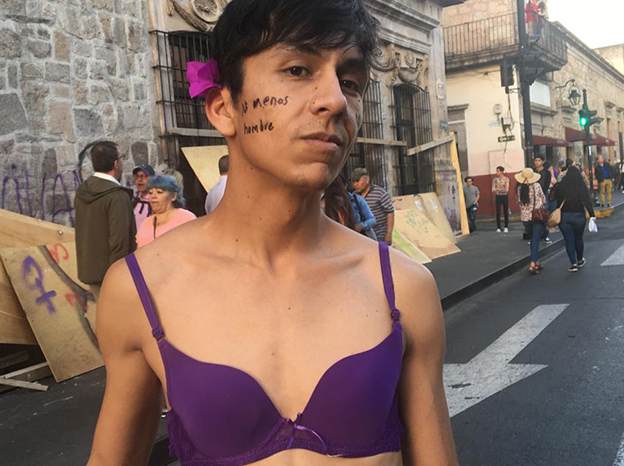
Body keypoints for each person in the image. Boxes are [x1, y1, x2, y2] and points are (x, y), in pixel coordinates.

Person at [88, 1, 457, 464]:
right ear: (224, 109)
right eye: (298, 69)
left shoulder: (402, 288)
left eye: (349, 82)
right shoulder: (141, 289)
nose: (335, 100)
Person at [75, 141, 136, 299]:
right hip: (113, 275)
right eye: (121, 158)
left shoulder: (83, 191)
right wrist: (117, 277)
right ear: (116, 164)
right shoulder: (117, 196)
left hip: (90, 270)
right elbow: (119, 241)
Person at [551, 165, 596, 273]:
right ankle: (580, 259)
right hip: (579, 215)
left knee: (569, 240)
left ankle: (573, 263)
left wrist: (557, 184)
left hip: (564, 216)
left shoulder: (561, 185)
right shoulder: (581, 185)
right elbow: (587, 201)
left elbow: (551, 197)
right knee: (578, 238)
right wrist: (592, 215)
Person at [135, 175, 197, 248]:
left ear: (173, 196)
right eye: (150, 193)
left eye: (159, 192)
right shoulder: (145, 223)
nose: (153, 196)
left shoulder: (186, 218)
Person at [351, 167, 396, 245]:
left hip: (380, 236)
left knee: (382, 253)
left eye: (357, 181)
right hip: (364, 237)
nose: (355, 184)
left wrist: (389, 234)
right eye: (353, 182)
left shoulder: (380, 193)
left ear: (367, 180)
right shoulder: (354, 196)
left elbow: (390, 212)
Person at [516, 168, 547, 275]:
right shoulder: (536, 186)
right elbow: (543, 199)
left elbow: (519, 202)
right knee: (536, 240)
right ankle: (533, 263)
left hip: (525, 218)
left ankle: (536, 261)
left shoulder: (520, 188)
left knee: (532, 239)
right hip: (536, 216)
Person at [534, 155, 554, 243]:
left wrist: (542, 195)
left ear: (542, 161)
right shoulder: (533, 171)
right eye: (535, 160)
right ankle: (535, 236)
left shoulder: (546, 172)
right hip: (533, 196)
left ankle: (545, 235)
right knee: (534, 217)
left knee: (544, 216)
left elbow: (546, 185)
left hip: (543, 195)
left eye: (539, 160)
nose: (537, 162)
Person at [132, 164, 155, 229]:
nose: (140, 179)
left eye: (144, 176)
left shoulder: (156, 202)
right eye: (137, 176)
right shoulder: (133, 202)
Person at [492, 166, 510, 233]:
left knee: (506, 211)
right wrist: (500, 189)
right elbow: (493, 189)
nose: (496, 172)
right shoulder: (495, 180)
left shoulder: (506, 179)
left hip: (504, 196)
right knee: (498, 212)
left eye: (498, 171)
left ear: (502, 172)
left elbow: (506, 189)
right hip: (498, 196)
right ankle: (498, 227)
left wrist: (498, 189)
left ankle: (506, 226)